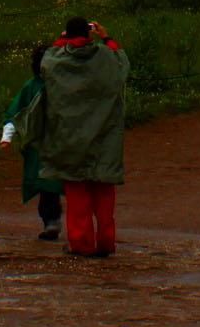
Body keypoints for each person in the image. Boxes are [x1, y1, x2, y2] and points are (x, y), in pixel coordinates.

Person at [34, 15, 129, 257]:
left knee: (77, 193)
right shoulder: (106, 57)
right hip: (103, 138)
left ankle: (81, 243)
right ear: (89, 34)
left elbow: (47, 60)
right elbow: (122, 63)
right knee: (104, 192)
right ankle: (106, 242)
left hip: (70, 137)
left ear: (66, 35)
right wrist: (106, 37)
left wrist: (62, 39)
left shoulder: (57, 62)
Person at [0, 43, 65, 240]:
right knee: (48, 185)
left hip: (59, 142)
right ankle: (52, 221)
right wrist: (7, 137)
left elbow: (15, 113)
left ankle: (54, 222)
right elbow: (17, 113)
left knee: (52, 185)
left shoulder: (60, 84)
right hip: (44, 144)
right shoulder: (38, 86)